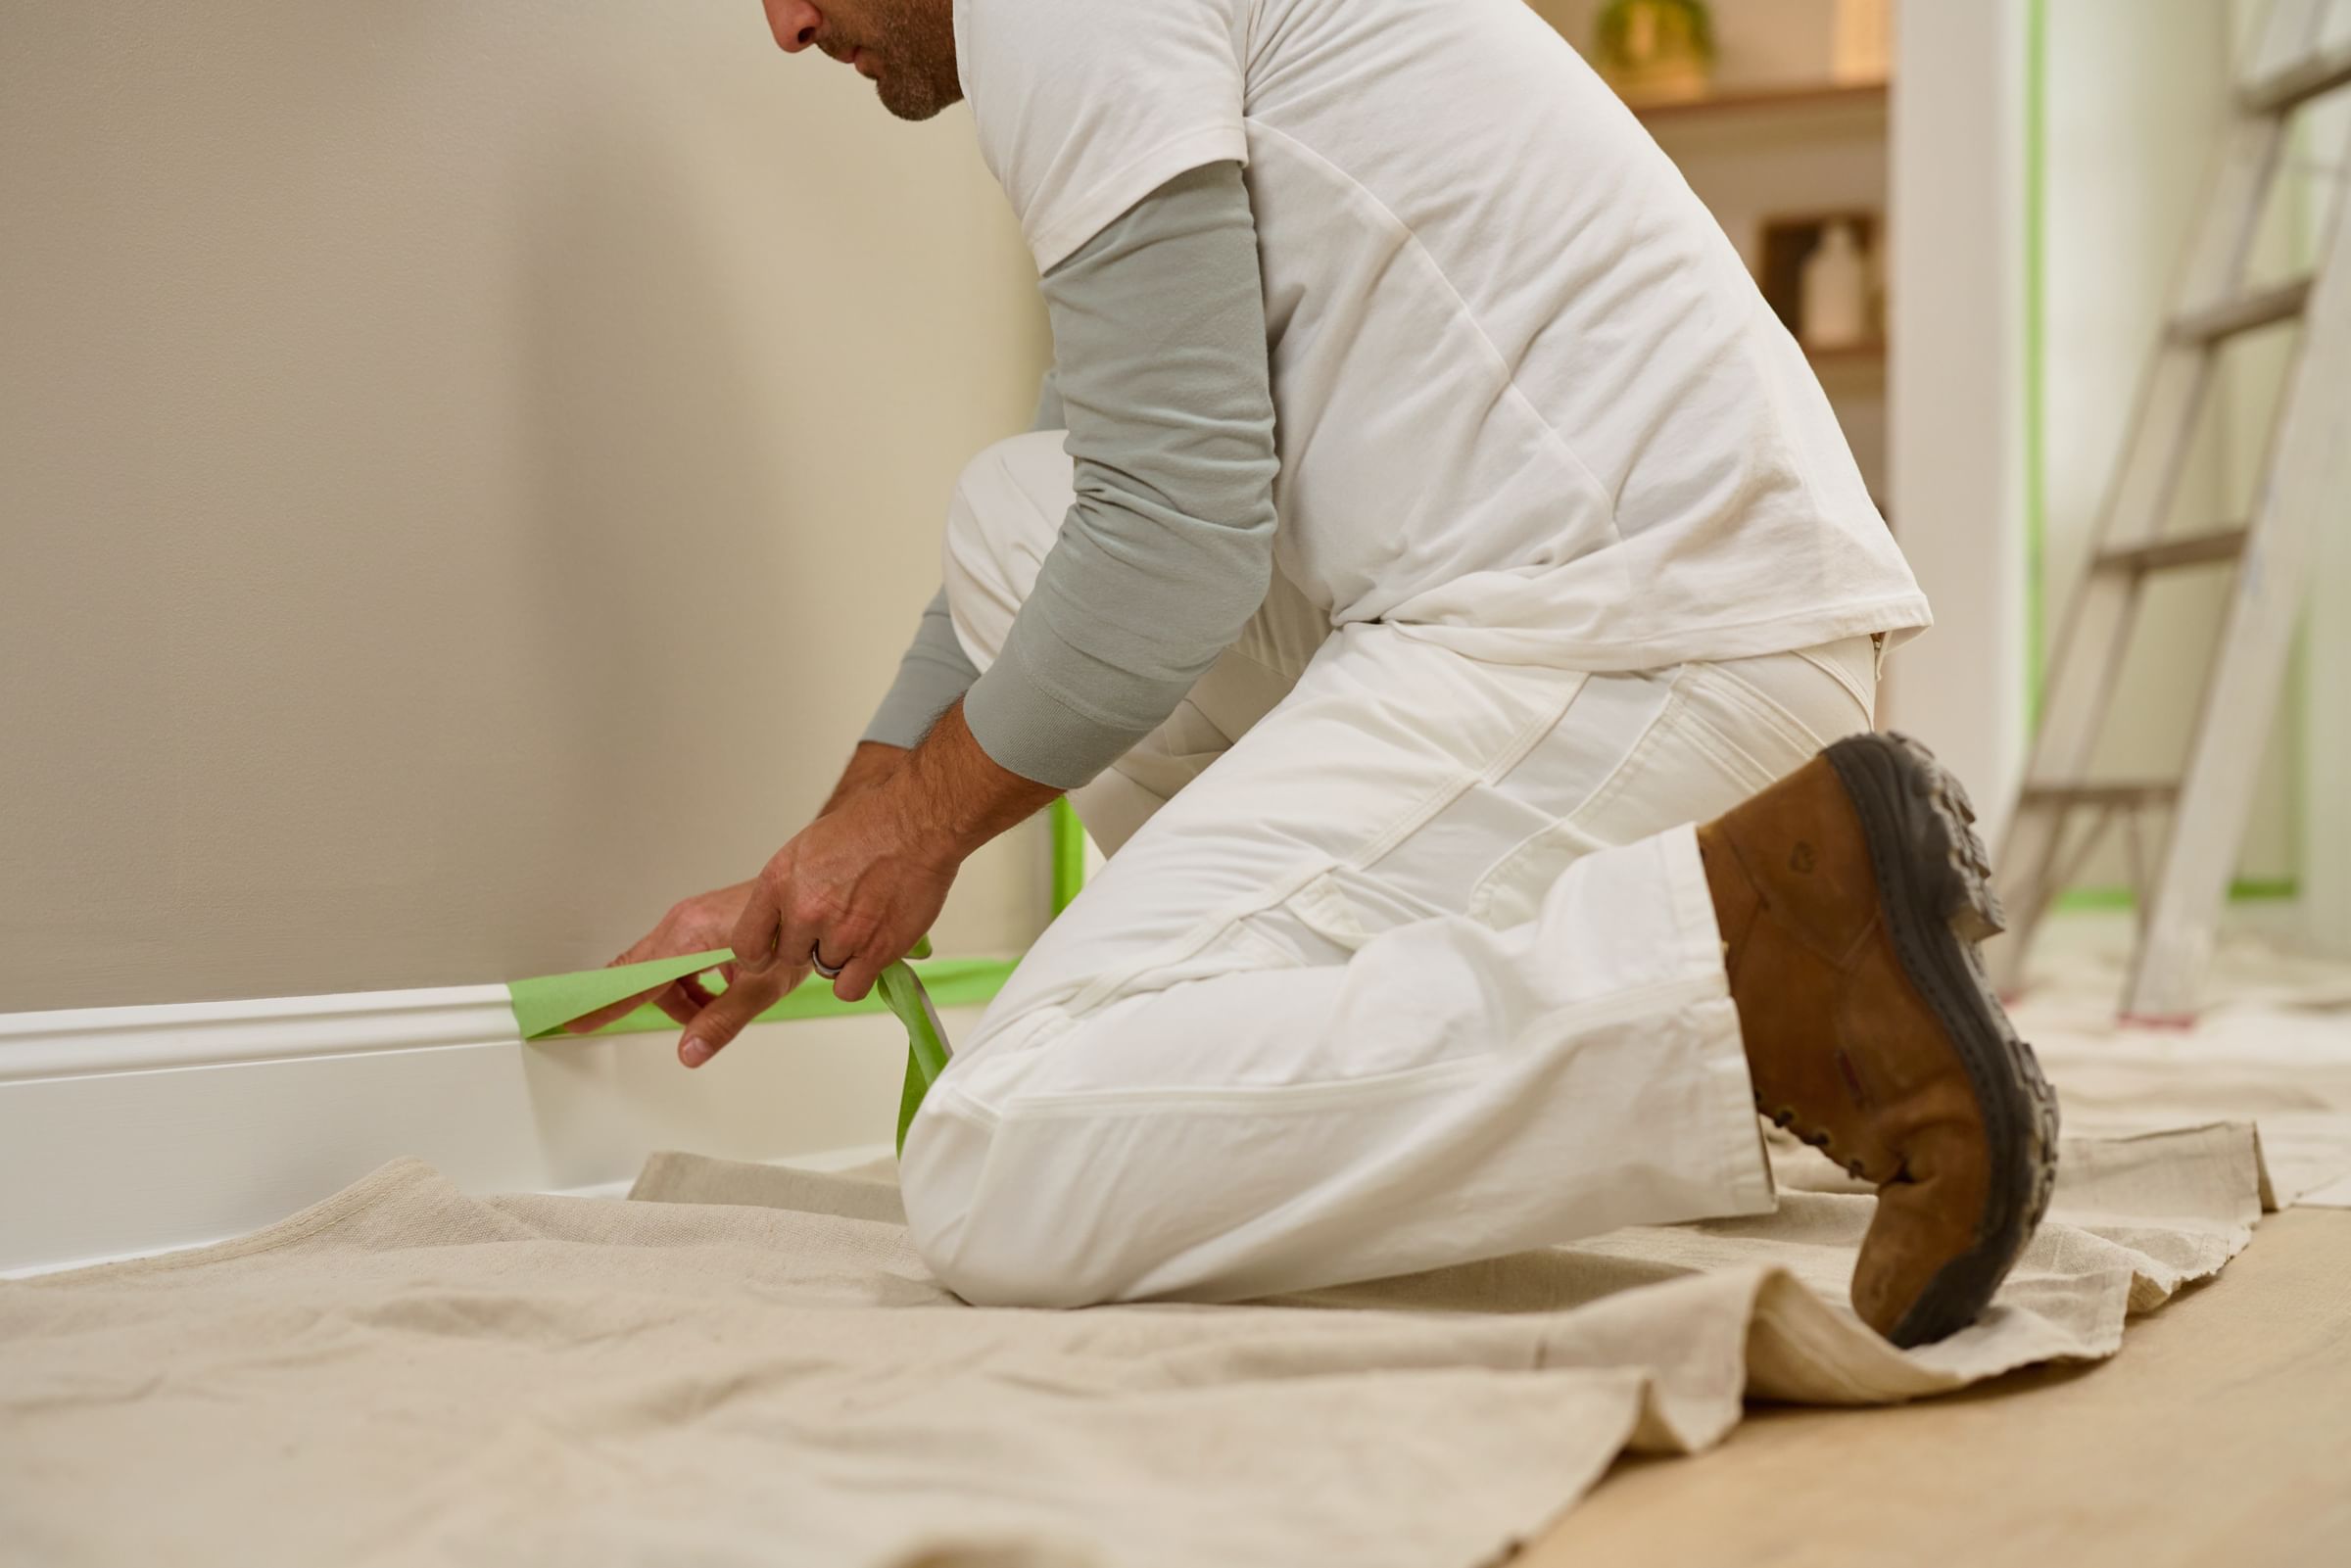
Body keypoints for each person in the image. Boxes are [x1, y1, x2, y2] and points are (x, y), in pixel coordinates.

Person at [575, 0, 2057, 1348]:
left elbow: (1174, 543)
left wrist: (910, 831)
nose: (784, 22)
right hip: (1649, 614)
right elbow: (1115, 481)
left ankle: (1749, 982)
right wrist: (836, 840)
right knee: (1013, 515)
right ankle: (1451, 1046)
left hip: (1631, 644)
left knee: (998, 1160)